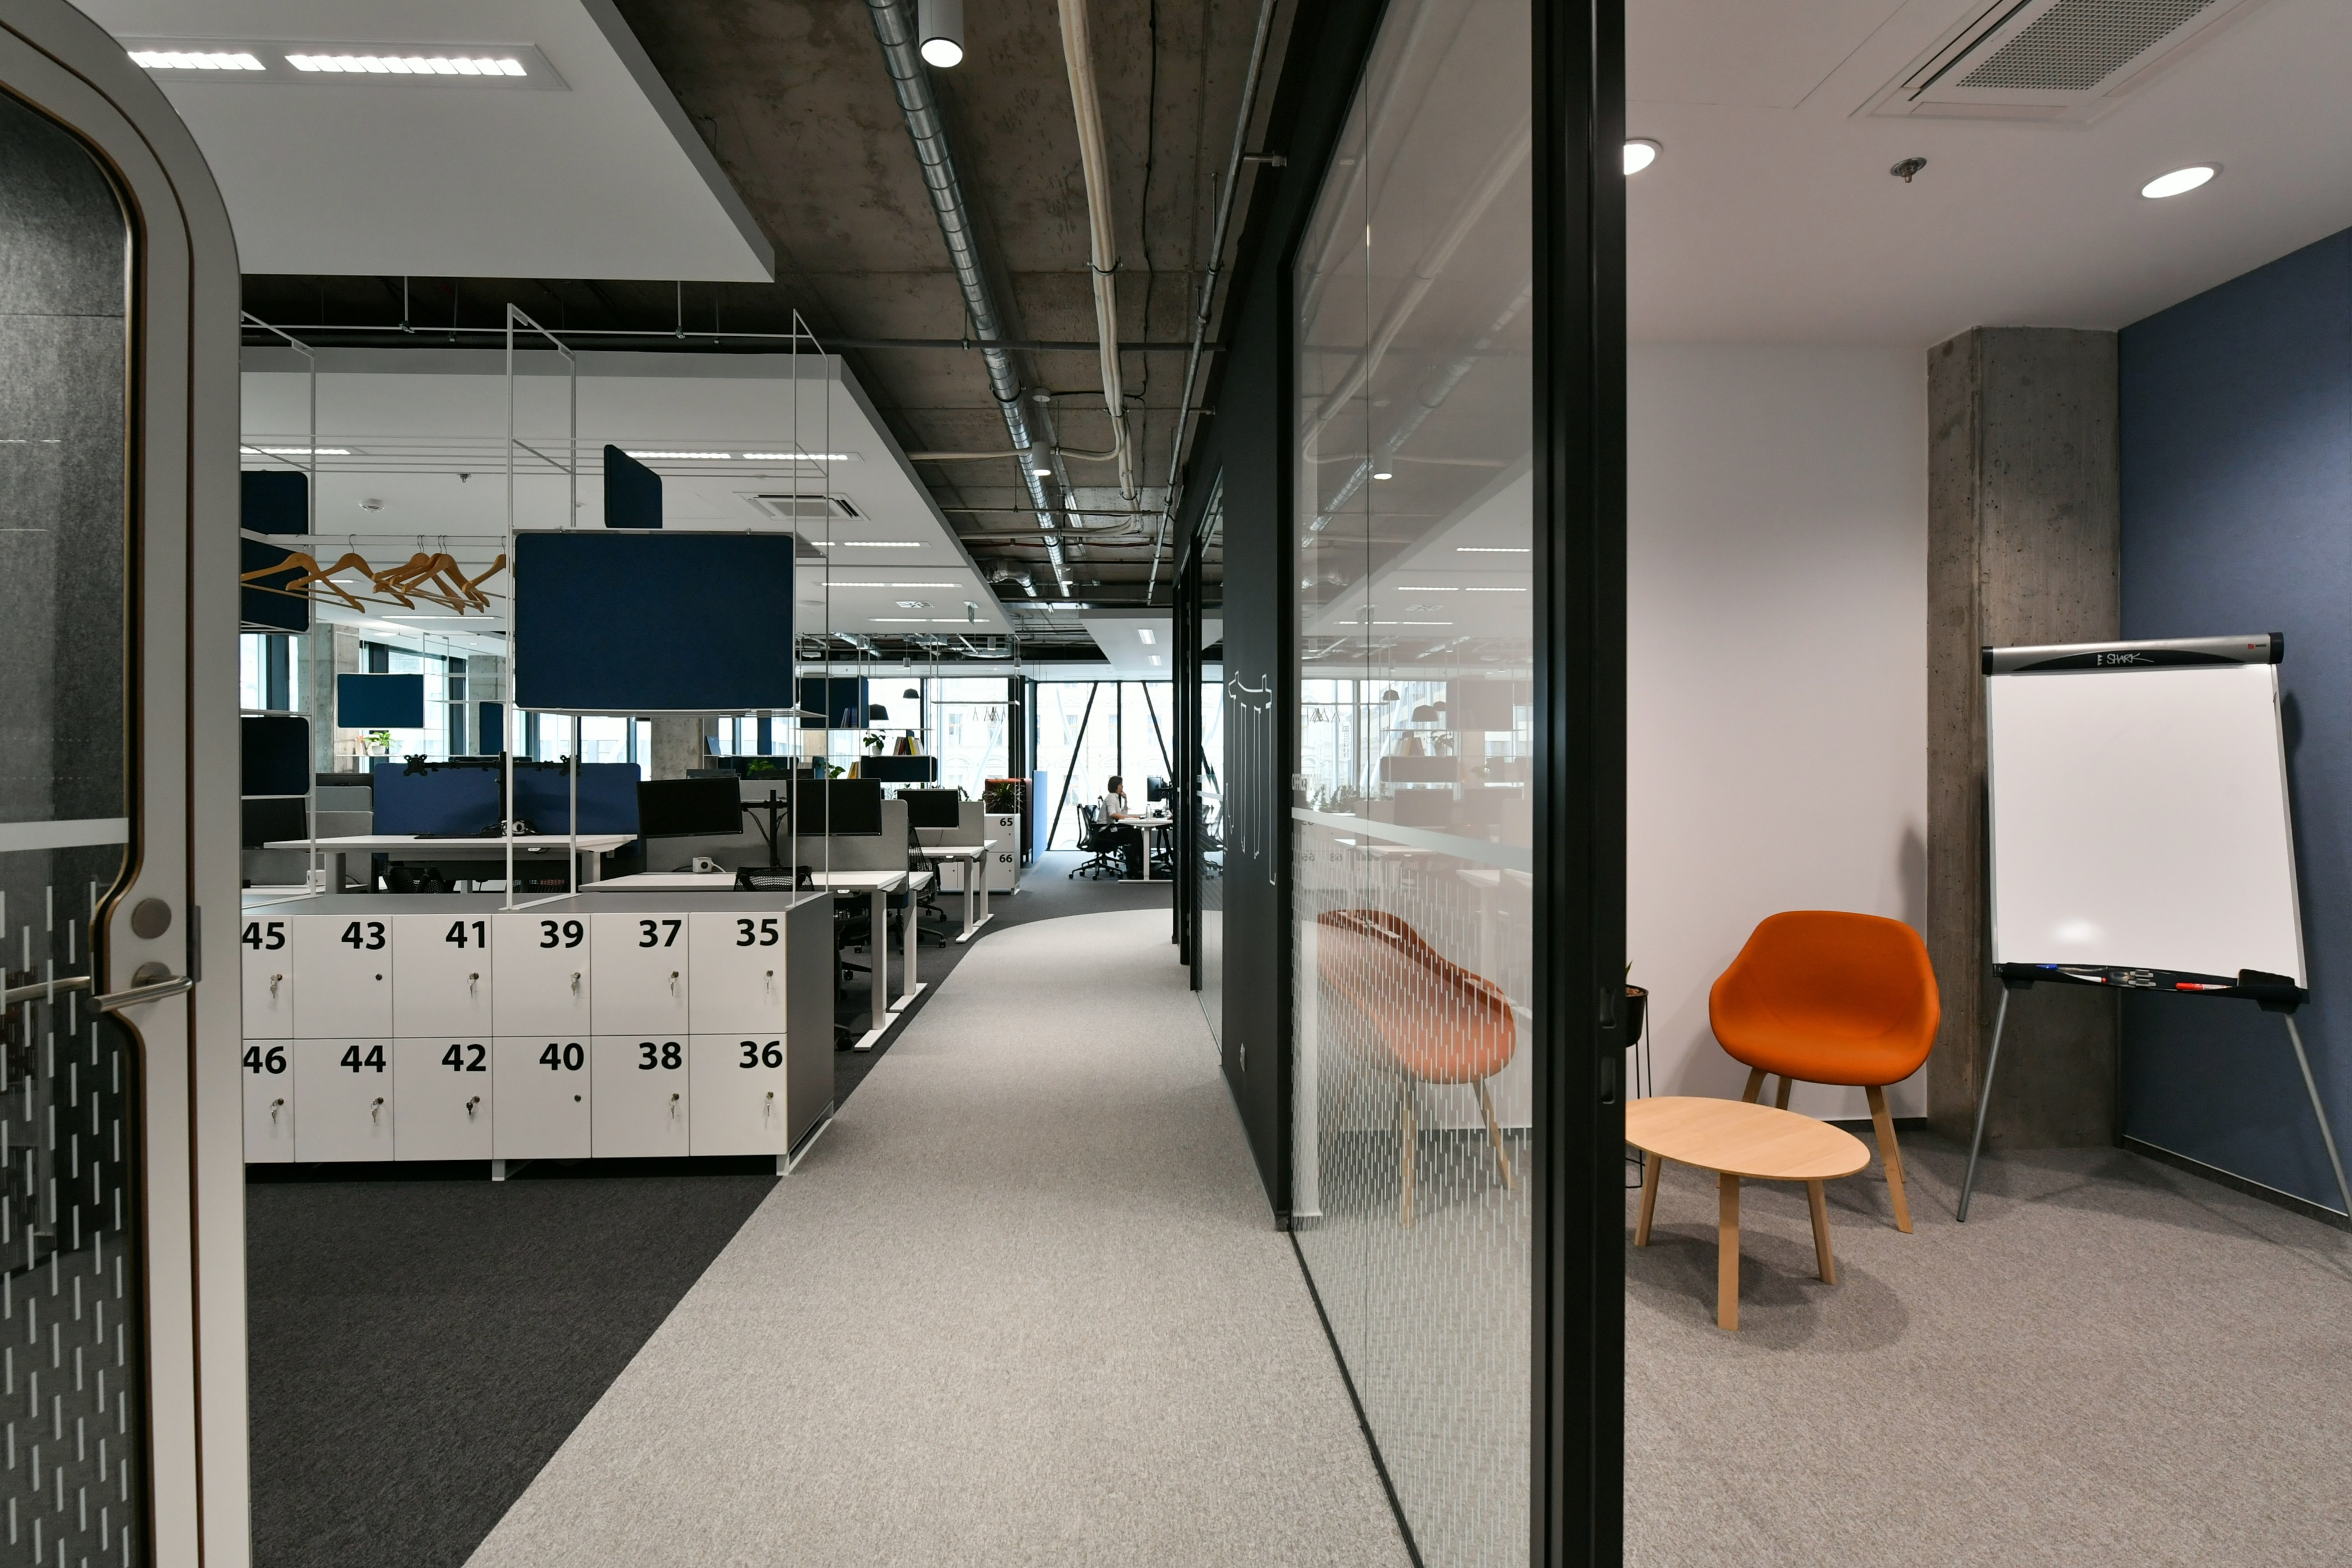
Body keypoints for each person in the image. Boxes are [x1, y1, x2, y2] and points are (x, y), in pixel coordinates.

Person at [1095, 774, 1143, 876]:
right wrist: (1129, 817)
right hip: (1105, 832)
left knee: (1135, 832)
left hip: (1109, 829)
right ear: (1116, 786)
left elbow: (1122, 814)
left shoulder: (1115, 797)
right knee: (1135, 835)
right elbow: (1113, 815)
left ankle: (1139, 865)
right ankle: (1133, 867)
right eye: (1121, 785)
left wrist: (1126, 800)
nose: (1122, 787)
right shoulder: (1111, 797)